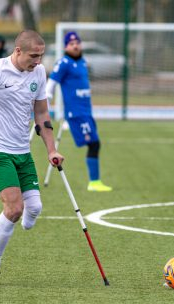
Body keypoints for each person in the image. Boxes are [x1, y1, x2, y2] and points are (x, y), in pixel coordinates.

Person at [0, 30, 64, 286]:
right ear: (18, 51)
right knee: (14, 208)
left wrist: (51, 150)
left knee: (35, 209)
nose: (39, 61)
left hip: (23, 151)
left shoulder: (39, 73)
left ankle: (19, 220)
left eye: (41, 56)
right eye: (34, 55)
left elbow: (42, 112)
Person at [46, 31, 112, 192]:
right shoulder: (64, 63)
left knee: (94, 144)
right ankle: (94, 182)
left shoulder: (82, 61)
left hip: (86, 111)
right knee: (94, 144)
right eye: (71, 43)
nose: (75, 45)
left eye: (77, 42)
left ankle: (95, 182)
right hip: (75, 113)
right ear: (66, 46)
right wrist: (46, 106)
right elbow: (51, 85)